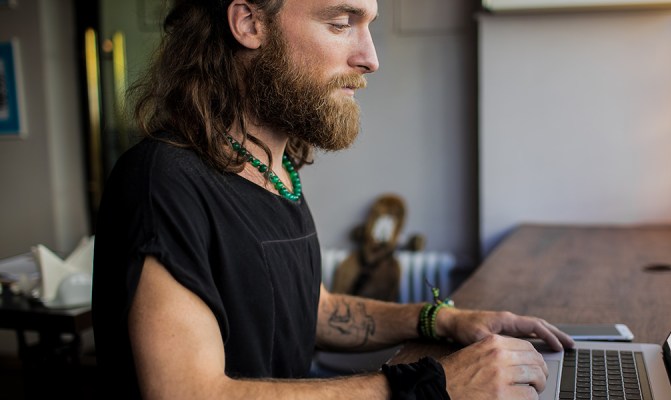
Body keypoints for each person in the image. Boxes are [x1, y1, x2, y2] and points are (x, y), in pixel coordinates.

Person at [91, 0, 575, 398]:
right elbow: (191, 394)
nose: (370, 57)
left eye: (368, 26)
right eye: (341, 24)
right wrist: (434, 384)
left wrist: (441, 320)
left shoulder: (275, 171)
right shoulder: (163, 182)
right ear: (249, 23)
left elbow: (312, 311)